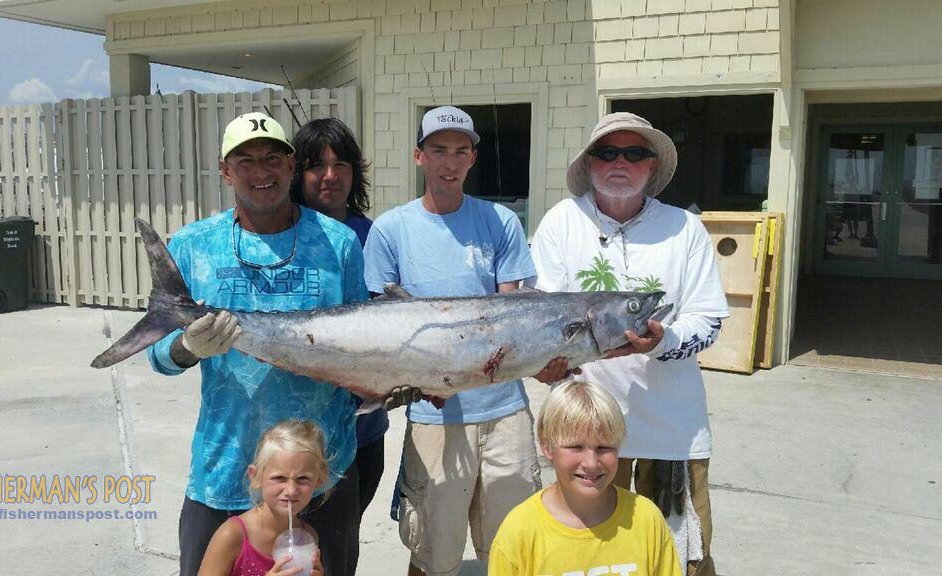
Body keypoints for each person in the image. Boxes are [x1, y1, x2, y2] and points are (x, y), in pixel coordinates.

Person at [146, 111, 368, 576]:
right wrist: (188, 346)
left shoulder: (339, 243)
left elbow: (362, 343)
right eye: (244, 161)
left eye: (272, 158)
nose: (260, 171)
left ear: (291, 166)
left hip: (317, 475)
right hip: (226, 467)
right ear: (225, 171)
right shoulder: (192, 244)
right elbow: (159, 356)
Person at [528, 112, 730, 576]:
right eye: (608, 152)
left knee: (683, 554)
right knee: (593, 550)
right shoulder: (562, 221)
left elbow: (710, 321)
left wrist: (663, 341)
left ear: (652, 166)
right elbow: (541, 315)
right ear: (591, 163)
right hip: (588, 427)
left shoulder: (685, 228)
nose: (621, 162)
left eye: (635, 153)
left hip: (672, 427)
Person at [364, 105, 545, 576]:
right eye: (438, 149)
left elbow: (514, 316)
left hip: (506, 412)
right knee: (432, 554)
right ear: (419, 156)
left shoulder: (500, 222)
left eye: (460, 150)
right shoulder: (390, 229)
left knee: (513, 551)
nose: (450, 161)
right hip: (432, 414)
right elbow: (383, 326)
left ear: (472, 158)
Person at [288, 117, 385, 576]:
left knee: (340, 547)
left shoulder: (376, 236)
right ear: (296, 174)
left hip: (363, 430)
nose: (330, 175)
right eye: (315, 165)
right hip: (292, 433)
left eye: (340, 163)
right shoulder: (279, 236)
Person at [488, 381, 681, 576]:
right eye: (576, 447)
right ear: (546, 446)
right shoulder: (520, 531)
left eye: (604, 448)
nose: (591, 463)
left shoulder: (646, 519)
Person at [198, 419, 327, 576]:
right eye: (279, 478)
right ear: (255, 476)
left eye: (303, 479)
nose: (291, 490)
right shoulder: (233, 535)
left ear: (319, 479)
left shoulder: (307, 539)